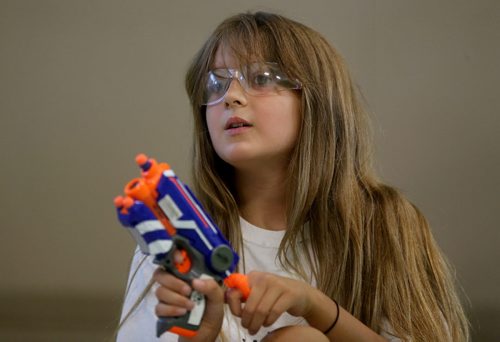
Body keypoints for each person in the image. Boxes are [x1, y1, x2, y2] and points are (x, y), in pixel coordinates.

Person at [116, 11, 470, 342]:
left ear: (318, 101)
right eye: (215, 83)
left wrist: (317, 309)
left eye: (262, 78)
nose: (231, 97)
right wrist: (201, 337)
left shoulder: (385, 222)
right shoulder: (173, 239)